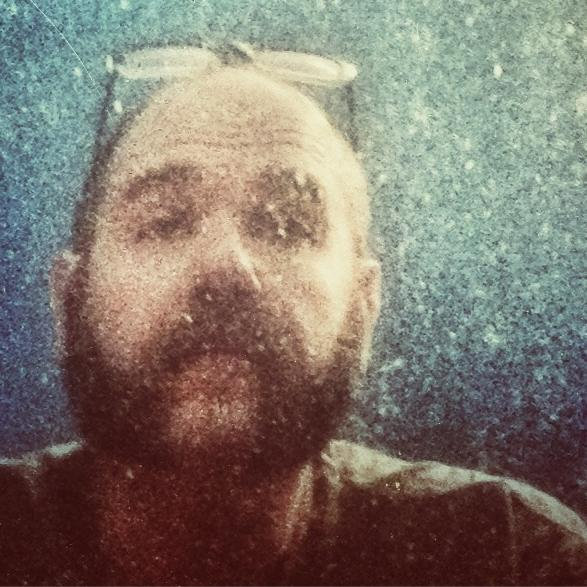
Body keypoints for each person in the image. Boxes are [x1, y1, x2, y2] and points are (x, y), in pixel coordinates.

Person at [1, 60, 585, 586]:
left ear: (362, 309)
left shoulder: (512, 558)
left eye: (286, 224)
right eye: (165, 221)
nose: (226, 266)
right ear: (69, 301)